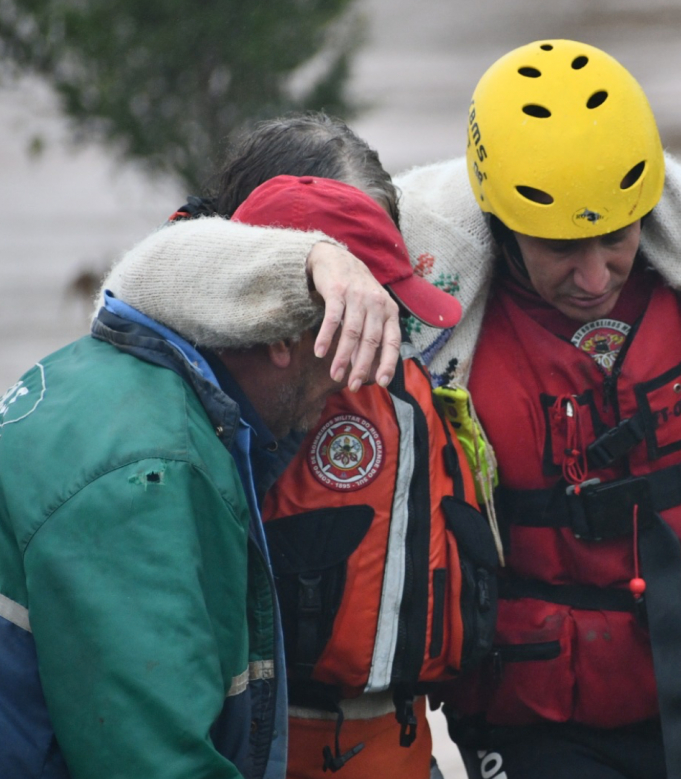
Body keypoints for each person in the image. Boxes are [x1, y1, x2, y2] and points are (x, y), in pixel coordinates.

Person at [89, 39, 681, 779]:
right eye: (560, 247)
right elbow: (156, 290)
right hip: (541, 733)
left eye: (617, 236)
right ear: (499, 216)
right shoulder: (418, 313)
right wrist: (302, 268)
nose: (594, 276)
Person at [0, 190, 399, 778]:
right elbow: (153, 760)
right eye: (339, 354)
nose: (348, 388)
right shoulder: (148, 474)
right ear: (281, 341)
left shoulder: (99, 373)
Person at [105, 117, 494, 779]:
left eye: (371, 279)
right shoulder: (177, 384)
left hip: (400, 748)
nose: (360, 304)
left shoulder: (429, 337)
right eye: (335, 270)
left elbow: (570, 179)